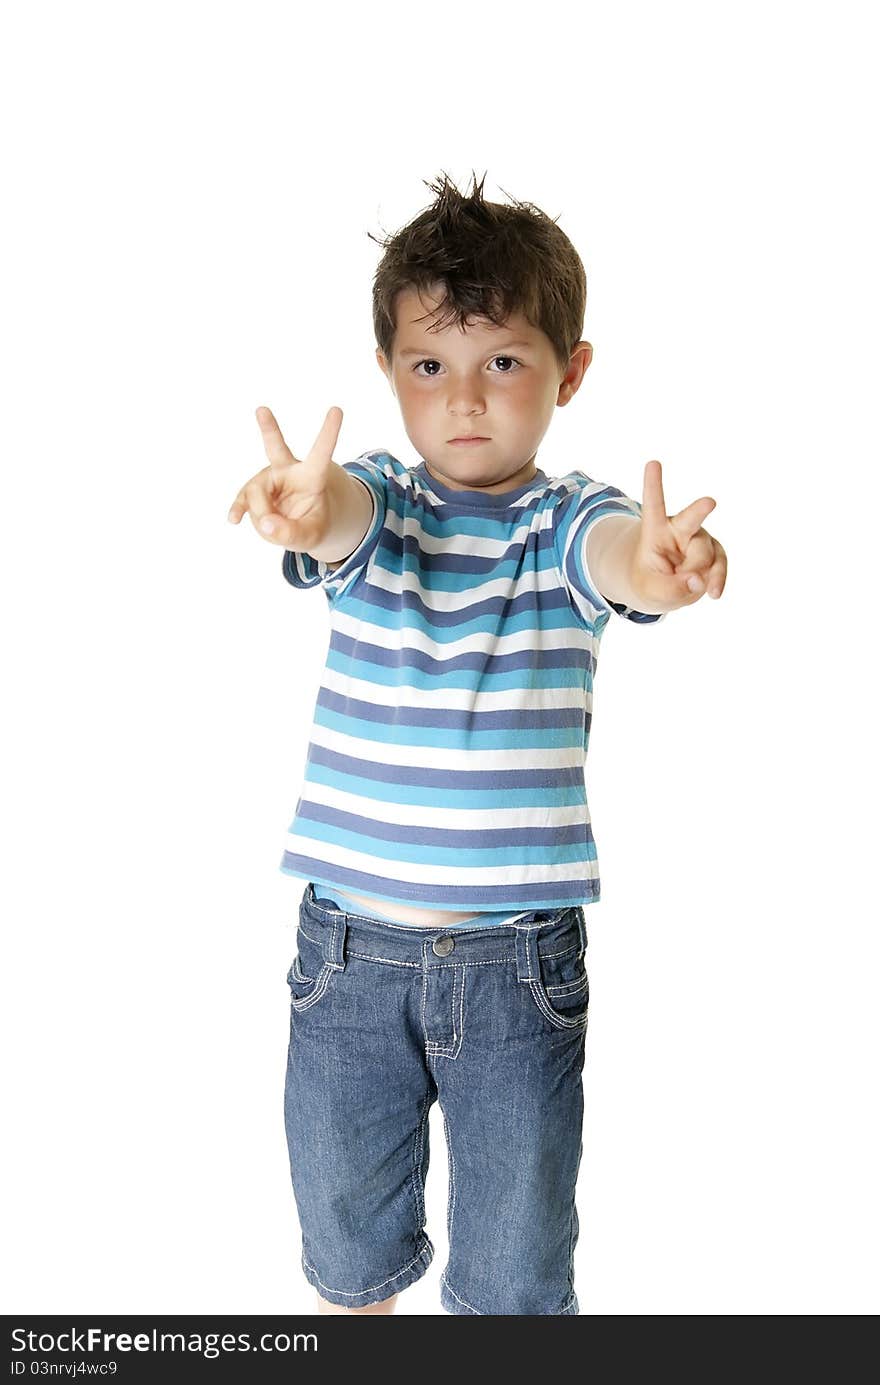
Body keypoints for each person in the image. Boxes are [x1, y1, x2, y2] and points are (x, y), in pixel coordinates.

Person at [227, 171, 727, 1315]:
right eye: (428, 366)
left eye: (501, 361)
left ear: (569, 370)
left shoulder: (567, 522)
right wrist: (305, 511)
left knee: (513, 1273)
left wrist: (661, 568)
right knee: (349, 1253)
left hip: (517, 971)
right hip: (348, 960)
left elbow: (622, 559)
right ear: (390, 374)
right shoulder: (379, 501)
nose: (463, 398)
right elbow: (339, 515)